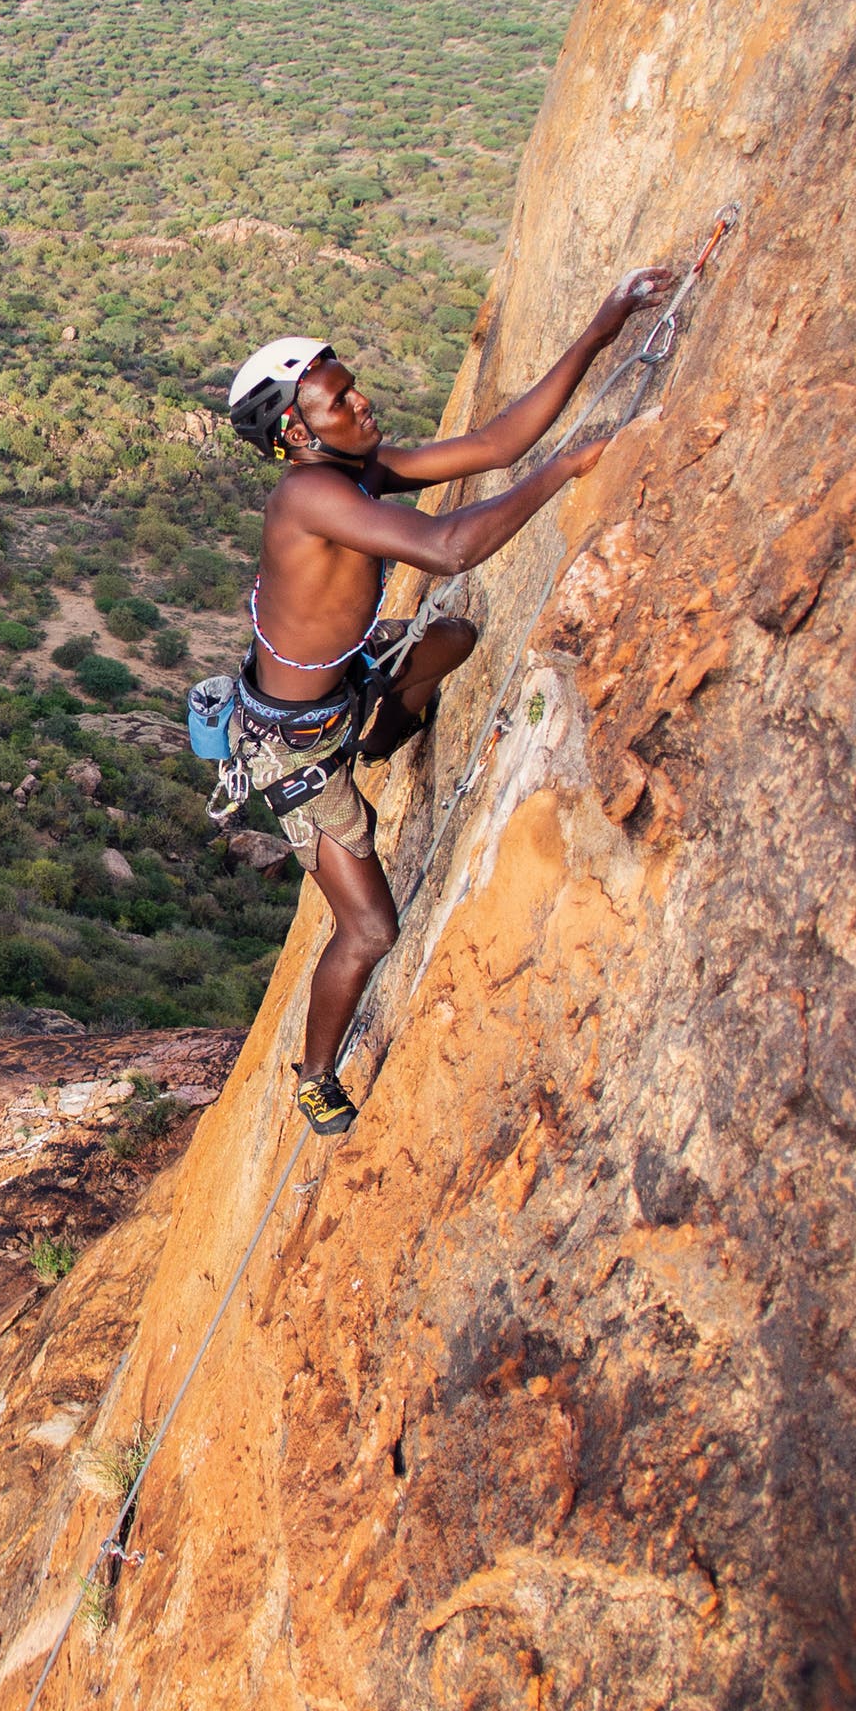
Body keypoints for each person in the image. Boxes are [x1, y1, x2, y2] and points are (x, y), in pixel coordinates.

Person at [220, 265, 679, 1136]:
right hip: (293, 753)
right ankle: (314, 1076)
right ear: (294, 432)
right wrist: (570, 471)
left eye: (352, 390)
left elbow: (496, 444)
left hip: (339, 693)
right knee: (370, 932)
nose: (362, 407)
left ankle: (381, 735)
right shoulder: (313, 495)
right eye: (338, 402)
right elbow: (451, 547)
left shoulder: (353, 469)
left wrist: (601, 326)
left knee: (454, 641)